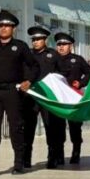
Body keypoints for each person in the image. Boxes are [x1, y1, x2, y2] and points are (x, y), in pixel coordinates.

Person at [0, 10, 39, 176]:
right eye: (1, 26)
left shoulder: (20, 46)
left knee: (16, 127)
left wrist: (29, 81)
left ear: (13, 28)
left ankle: (19, 164)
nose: (3, 28)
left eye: (7, 26)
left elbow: (34, 66)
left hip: (13, 92)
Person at [21, 25, 64, 169]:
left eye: (38, 39)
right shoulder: (27, 55)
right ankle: (26, 159)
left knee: (51, 127)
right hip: (31, 97)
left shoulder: (53, 54)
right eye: (33, 39)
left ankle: (52, 158)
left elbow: (62, 74)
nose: (35, 42)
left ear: (45, 40)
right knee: (28, 128)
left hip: (47, 97)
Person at [54, 31, 90, 165]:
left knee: (75, 126)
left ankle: (76, 152)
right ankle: (59, 154)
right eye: (59, 44)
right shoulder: (53, 59)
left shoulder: (78, 59)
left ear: (70, 46)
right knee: (57, 126)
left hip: (73, 96)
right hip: (57, 97)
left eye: (64, 44)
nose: (61, 47)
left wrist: (81, 83)